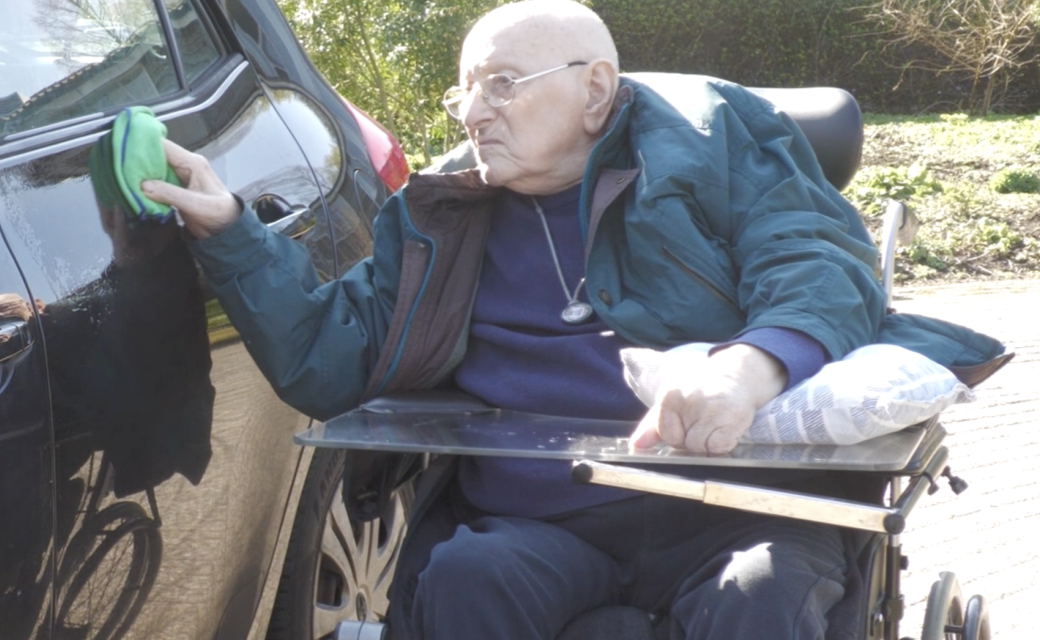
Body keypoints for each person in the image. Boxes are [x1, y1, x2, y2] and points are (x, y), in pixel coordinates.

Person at [140, 2, 1004, 638]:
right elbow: (332, 362)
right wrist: (233, 237)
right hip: (542, 523)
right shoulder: (442, 213)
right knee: (464, 578)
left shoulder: (711, 144)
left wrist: (746, 369)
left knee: (762, 598)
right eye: (464, 95)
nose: (475, 113)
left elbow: (814, 260)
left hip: (739, 508)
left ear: (597, 90)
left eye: (503, 85)